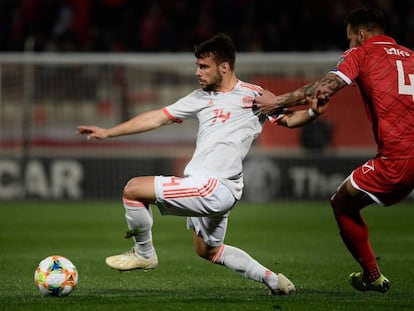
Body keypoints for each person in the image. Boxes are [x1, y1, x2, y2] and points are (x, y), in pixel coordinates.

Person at [77, 33, 295, 295]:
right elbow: (157, 118)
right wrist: (108, 132)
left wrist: (314, 110)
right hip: (217, 187)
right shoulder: (199, 97)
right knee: (208, 250)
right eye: (197, 66)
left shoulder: (254, 96)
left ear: (224, 67)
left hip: (214, 187)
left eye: (203, 66)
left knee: (133, 189)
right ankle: (274, 281)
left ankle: (144, 253)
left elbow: (290, 120)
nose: (197, 72)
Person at [255, 7, 414, 293]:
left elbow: (323, 88)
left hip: (397, 159)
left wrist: (276, 101)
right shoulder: (412, 56)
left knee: (342, 203)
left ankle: (372, 275)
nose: (349, 44)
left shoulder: (362, 53)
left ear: (362, 34)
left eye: (351, 38)